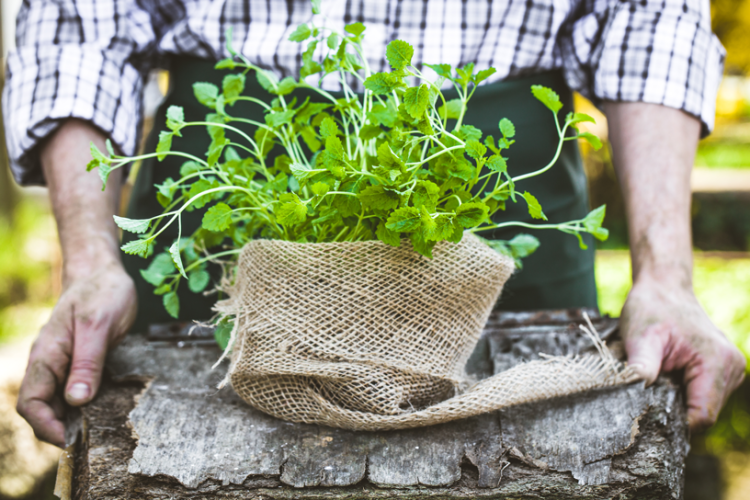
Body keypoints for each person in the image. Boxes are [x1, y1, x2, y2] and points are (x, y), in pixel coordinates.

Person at [3, 0, 745, 448]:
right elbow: (77, 23)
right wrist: (95, 265)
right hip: (215, 211)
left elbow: (649, 19)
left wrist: (666, 277)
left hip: (496, 210)